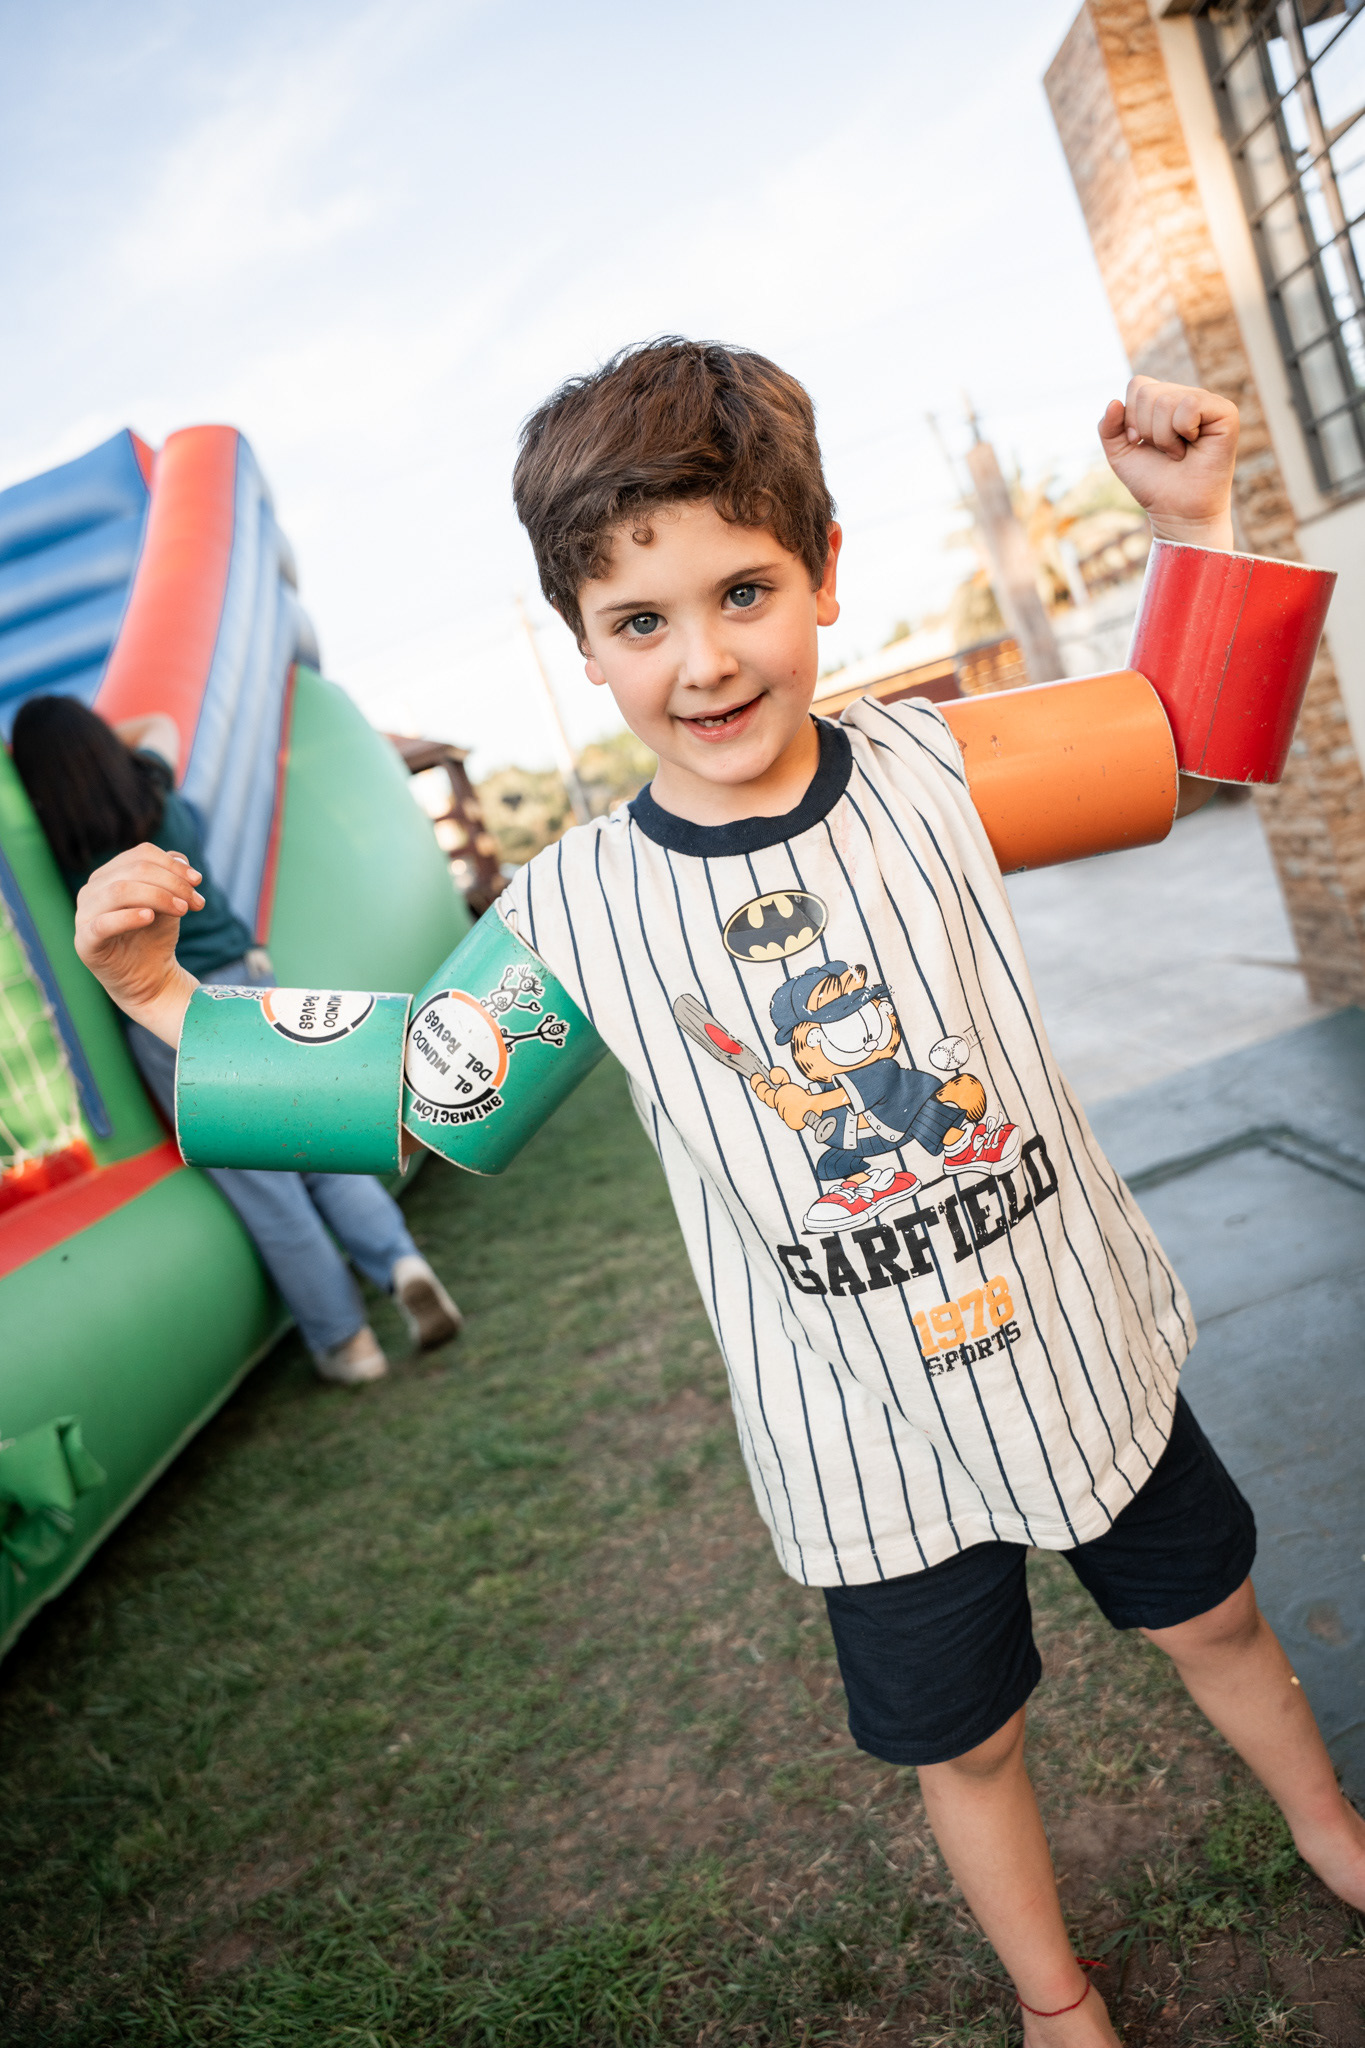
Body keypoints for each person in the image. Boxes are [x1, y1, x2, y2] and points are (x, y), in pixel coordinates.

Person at [71, 342, 1365, 2035]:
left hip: (1074, 1348)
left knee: (1216, 1613)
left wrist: (1195, 516)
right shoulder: (580, 908)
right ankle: (1055, 1997)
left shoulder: (933, 767)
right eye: (642, 621)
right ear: (587, 641)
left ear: (824, 569)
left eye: (744, 589)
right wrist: (164, 997)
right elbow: (423, 1086)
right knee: (963, 1738)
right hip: (859, 1433)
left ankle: (1333, 1824)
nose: (703, 659)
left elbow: (1190, 743)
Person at [12, 694, 461, 1385]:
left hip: (174, 1007)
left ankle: (349, 1344)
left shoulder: (61, 838)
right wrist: (102, 737)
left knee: (265, 1189)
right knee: (321, 1145)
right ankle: (401, 1262)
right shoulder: (152, 786)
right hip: (252, 979)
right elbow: (159, 722)